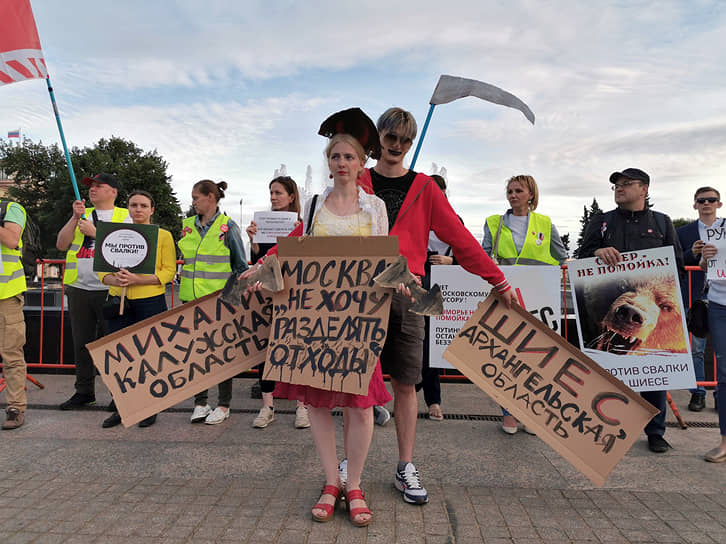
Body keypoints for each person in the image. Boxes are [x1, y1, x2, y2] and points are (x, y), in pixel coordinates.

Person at [357, 107, 516, 505]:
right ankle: (350, 466)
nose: (395, 146)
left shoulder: (425, 188)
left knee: (407, 381)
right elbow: (320, 228)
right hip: (359, 291)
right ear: (378, 138)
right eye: (389, 138)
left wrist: (497, 278)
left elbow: (459, 238)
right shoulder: (357, 180)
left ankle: (405, 465)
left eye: (403, 140)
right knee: (354, 380)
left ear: (411, 143)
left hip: (409, 291)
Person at [250, 130, 391, 527]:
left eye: (349, 156)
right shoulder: (313, 204)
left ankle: (355, 483)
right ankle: (332, 482)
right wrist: (261, 267)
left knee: (362, 407)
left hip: (360, 319)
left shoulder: (375, 207)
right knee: (317, 404)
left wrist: (398, 277)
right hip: (316, 320)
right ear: (328, 162)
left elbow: (385, 255)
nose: (342, 163)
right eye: (335, 156)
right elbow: (294, 248)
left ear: (362, 163)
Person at [578, 167, 684, 454]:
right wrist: (597, 253)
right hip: (609, 313)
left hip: (651, 320)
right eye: (616, 185)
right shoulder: (601, 222)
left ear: (644, 189)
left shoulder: (662, 223)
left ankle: (655, 432)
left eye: (627, 184)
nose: (619, 188)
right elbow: (582, 257)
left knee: (653, 372)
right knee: (605, 370)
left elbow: (675, 264)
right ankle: (603, 428)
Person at [482, 174, 568, 434]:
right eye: (509, 190)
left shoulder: (545, 223)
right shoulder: (493, 223)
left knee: (535, 360)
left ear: (531, 194)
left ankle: (532, 413)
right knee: (506, 358)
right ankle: (508, 413)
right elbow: (485, 255)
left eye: (518, 190)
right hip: (506, 296)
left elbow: (560, 257)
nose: (512, 195)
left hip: (539, 299)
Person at [98, 190, 178, 428]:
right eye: (134, 205)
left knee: (149, 355)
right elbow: (103, 270)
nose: (138, 209)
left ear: (152, 209)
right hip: (118, 298)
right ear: (128, 208)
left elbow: (168, 271)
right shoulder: (113, 234)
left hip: (150, 300)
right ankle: (122, 407)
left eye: (143, 205)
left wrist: (137, 280)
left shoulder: (163, 236)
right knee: (119, 355)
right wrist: (114, 281)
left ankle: (148, 407)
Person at [56, 173, 130, 410]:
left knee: (113, 345)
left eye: (100, 186)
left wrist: (95, 232)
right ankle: (84, 392)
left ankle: (119, 395)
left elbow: (127, 248)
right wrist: (74, 218)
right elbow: (61, 244)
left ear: (113, 192)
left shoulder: (125, 216)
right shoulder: (82, 215)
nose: (93, 189)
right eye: (91, 186)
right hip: (79, 287)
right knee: (82, 343)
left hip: (109, 289)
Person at [179, 180, 248, 425]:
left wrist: (233, 302)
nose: (193, 201)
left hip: (220, 301)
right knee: (197, 352)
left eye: (196, 197)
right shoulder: (187, 226)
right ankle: (200, 403)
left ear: (211, 197)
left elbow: (240, 267)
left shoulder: (228, 227)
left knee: (220, 353)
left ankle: (223, 404)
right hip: (191, 300)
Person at [245, 176, 309, 430]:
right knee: (266, 347)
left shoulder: (302, 225)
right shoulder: (261, 223)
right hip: (268, 292)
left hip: (294, 293)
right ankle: (267, 406)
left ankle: (302, 406)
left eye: (278, 193)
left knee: (298, 346)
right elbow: (258, 258)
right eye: (271, 192)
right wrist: (253, 240)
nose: (273, 197)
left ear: (291, 196)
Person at [416, 174, 461, 422]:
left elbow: (467, 253)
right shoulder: (416, 216)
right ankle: (417, 388)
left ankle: (433, 399)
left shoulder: (456, 219)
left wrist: (450, 260)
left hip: (445, 284)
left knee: (432, 342)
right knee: (417, 340)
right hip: (420, 283)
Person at [677, 187, 722, 412]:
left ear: (719, 204)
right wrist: (690, 253)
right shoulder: (684, 232)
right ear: (695, 205)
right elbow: (676, 260)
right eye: (701, 200)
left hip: (721, 294)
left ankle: (721, 394)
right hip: (694, 295)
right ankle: (698, 393)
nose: (706, 203)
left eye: (711, 200)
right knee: (696, 347)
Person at [698, 201, 726, 462]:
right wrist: (705, 259)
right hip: (719, 304)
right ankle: (724, 441)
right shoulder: (716, 229)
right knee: (725, 373)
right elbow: (706, 269)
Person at [0, 198, 29, 429]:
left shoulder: (11, 208)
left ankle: (15, 408)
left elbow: (11, 240)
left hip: (6, 294)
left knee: (11, 354)